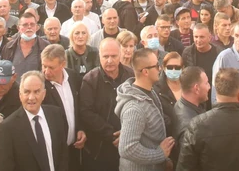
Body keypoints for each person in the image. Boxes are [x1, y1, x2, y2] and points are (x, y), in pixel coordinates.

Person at [0, 70, 69, 171]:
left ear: (44, 94)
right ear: (20, 95)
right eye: (27, 92)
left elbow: (63, 156)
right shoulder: (7, 128)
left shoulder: (56, 115)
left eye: (36, 92)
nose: (31, 97)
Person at [115, 48, 174, 171]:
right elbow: (127, 149)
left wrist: (164, 160)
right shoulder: (134, 108)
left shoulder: (150, 92)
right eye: (156, 66)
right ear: (145, 72)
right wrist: (160, 154)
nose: (160, 68)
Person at [79, 37, 131, 171]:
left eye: (114, 56)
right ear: (99, 56)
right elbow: (86, 112)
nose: (110, 60)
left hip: (129, 143)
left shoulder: (131, 76)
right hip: (99, 148)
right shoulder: (90, 80)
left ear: (120, 55)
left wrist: (127, 133)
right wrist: (112, 134)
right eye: (106, 56)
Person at [41, 44, 86, 171]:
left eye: (51, 67)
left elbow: (80, 107)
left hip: (73, 149)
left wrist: (81, 129)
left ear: (63, 64)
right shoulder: (39, 85)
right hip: (52, 153)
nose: (46, 72)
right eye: (44, 66)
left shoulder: (73, 77)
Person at [172, 66, 209, 150]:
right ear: (196, 88)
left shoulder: (181, 104)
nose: (209, 87)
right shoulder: (190, 128)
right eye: (206, 83)